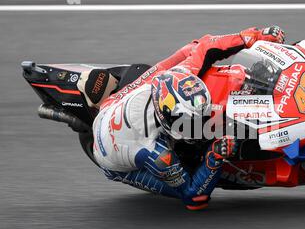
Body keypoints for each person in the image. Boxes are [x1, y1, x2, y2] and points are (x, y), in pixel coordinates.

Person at [77, 26, 285, 210]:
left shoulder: (173, 78)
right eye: (191, 123)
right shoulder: (157, 155)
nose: (203, 123)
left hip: (115, 104)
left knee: (190, 49)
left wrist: (252, 37)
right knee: (186, 181)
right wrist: (214, 157)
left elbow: (205, 46)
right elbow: (193, 197)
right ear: (170, 122)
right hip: (112, 153)